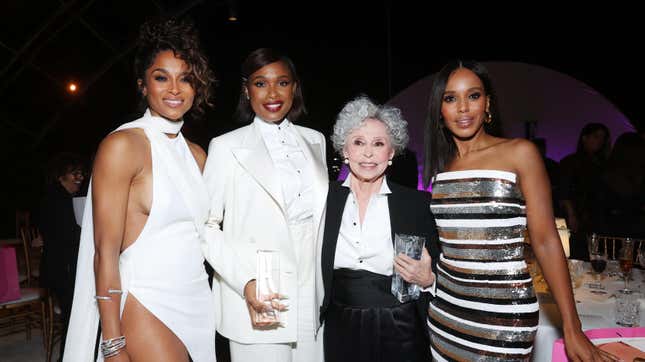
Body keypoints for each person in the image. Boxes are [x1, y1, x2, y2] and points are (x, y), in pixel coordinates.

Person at [423, 60, 612, 361]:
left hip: (503, 320)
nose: (462, 107)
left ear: (488, 104)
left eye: (473, 96)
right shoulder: (441, 169)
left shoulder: (520, 153)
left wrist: (571, 326)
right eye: (450, 98)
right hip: (446, 314)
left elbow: (546, 240)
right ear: (439, 110)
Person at [64, 18, 217, 362]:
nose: (175, 89)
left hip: (197, 299)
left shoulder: (198, 155)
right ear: (143, 86)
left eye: (186, 78)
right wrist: (113, 344)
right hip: (145, 301)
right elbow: (104, 251)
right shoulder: (123, 146)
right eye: (162, 77)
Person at [202, 48, 328, 362]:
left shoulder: (316, 140)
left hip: (312, 293)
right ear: (247, 90)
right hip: (260, 292)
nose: (272, 93)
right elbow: (205, 227)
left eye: (282, 83)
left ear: (294, 87)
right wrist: (246, 281)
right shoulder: (225, 146)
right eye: (260, 84)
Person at [319, 96, 438, 362]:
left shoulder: (417, 204)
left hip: (401, 328)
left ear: (392, 152)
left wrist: (429, 280)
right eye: (359, 142)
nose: (368, 153)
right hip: (340, 326)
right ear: (344, 150)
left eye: (379, 143)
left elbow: (443, 273)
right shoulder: (323, 200)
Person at [39, 152, 85, 361]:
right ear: (61, 176)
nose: (80, 178)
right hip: (62, 270)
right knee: (75, 315)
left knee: (74, 313)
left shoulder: (60, 197)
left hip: (56, 267)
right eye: (75, 174)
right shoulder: (59, 200)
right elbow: (70, 236)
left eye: (81, 174)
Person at [559, 122, 610, 259]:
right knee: (578, 251)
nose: (599, 141)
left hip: (596, 216)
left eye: (602, 138)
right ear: (584, 138)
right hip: (578, 214)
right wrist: (572, 214)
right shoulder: (571, 162)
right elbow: (564, 190)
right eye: (596, 136)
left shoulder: (602, 164)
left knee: (595, 253)